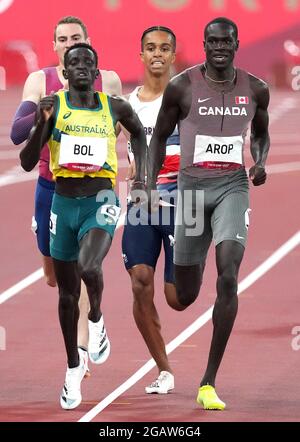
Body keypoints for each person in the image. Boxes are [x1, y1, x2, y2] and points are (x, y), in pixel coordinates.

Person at [147, 17, 270, 410]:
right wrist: (147, 183)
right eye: (213, 41)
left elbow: (262, 132)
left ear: (236, 44)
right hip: (193, 195)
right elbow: (157, 137)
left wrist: (259, 160)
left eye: (226, 41)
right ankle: (188, 260)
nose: (220, 47)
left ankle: (208, 381)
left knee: (229, 275)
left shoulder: (256, 89)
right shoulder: (181, 86)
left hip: (233, 187)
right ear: (204, 44)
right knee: (183, 296)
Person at [19, 43, 147, 409]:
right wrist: (41, 126)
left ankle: (96, 319)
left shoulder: (114, 107)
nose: (78, 67)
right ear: (64, 71)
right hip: (63, 203)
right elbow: (28, 163)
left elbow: (138, 134)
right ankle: (73, 369)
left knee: (90, 266)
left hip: (101, 199)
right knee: (65, 293)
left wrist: (143, 177)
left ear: (95, 72)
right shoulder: (55, 107)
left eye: (86, 63)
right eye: (71, 62)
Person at [10, 16, 122, 367]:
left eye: (77, 37)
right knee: (54, 277)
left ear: (88, 42)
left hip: (96, 188)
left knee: (85, 267)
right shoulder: (38, 81)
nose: (70, 43)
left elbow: (126, 126)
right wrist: (45, 111)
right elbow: (16, 134)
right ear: (55, 46)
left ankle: (85, 346)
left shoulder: (109, 80)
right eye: (63, 39)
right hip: (51, 187)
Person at [122, 26, 182, 394]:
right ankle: (164, 369)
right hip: (142, 204)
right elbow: (101, 141)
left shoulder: (188, 101)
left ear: (174, 55)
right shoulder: (128, 105)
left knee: (177, 299)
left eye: (164, 48)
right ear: (140, 56)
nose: (157, 53)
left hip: (183, 204)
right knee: (140, 282)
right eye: (150, 48)